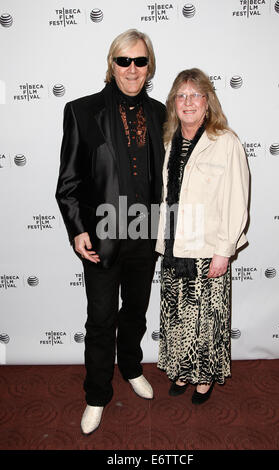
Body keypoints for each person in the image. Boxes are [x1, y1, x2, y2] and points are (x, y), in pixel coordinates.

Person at [56, 29, 165, 434]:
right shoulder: (81, 112)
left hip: (146, 235)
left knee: (135, 310)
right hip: (102, 234)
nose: (132, 69)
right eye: (124, 61)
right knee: (101, 318)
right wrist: (76, 229)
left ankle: (133, 367)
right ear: (111, 64)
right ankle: (97, 394)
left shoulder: (160, 113)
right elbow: (68, 182)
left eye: (139, 61)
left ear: (148, 65)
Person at [155, 68, 249, 404]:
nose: (188, 102)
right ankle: (180, 369)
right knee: (177, 314)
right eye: (181, 95)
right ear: (173, 104)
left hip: (208, 248)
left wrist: (224, 250)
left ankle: (205, 377)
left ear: (207, 102)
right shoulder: (166, 142)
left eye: (195, 95)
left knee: (206, 319)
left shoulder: (225, 142)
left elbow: (237, 201)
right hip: (173, 246)